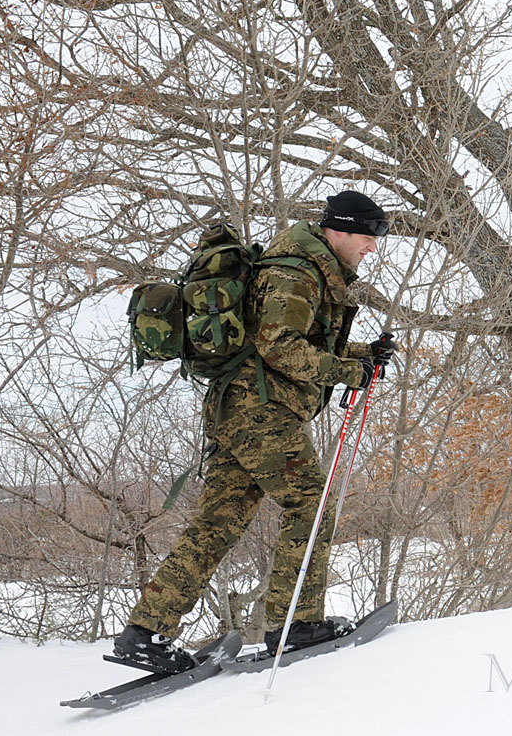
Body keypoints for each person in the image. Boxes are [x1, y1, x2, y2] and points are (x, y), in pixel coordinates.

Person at [113, 190, 397, 672]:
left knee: (218, 523)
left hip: (239, 410)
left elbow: (295, 342)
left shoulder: (305, 267)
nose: (372, 249)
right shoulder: (296, 270)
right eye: (368, 239)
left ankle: (145, 633)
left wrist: (363, 355)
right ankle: (295, 625)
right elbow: (277, 346)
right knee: (310, 501)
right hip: (259, 411)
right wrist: (350, 373)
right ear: (342, 231)